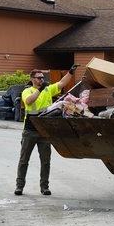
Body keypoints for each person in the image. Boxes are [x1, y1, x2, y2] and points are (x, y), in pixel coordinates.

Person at [15, 66, 76, 196]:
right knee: (24, 160)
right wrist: (40, 90)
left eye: (43, 78)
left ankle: (44, 187)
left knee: (45, 161)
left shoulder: (47, 89)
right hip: (30, 130)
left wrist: (70, 72)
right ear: (32, 79)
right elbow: (29, 101)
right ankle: (19, 186)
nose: (42, 80)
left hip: (44, 130)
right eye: (39, 78)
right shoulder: (28, 90)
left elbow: (61, 83)